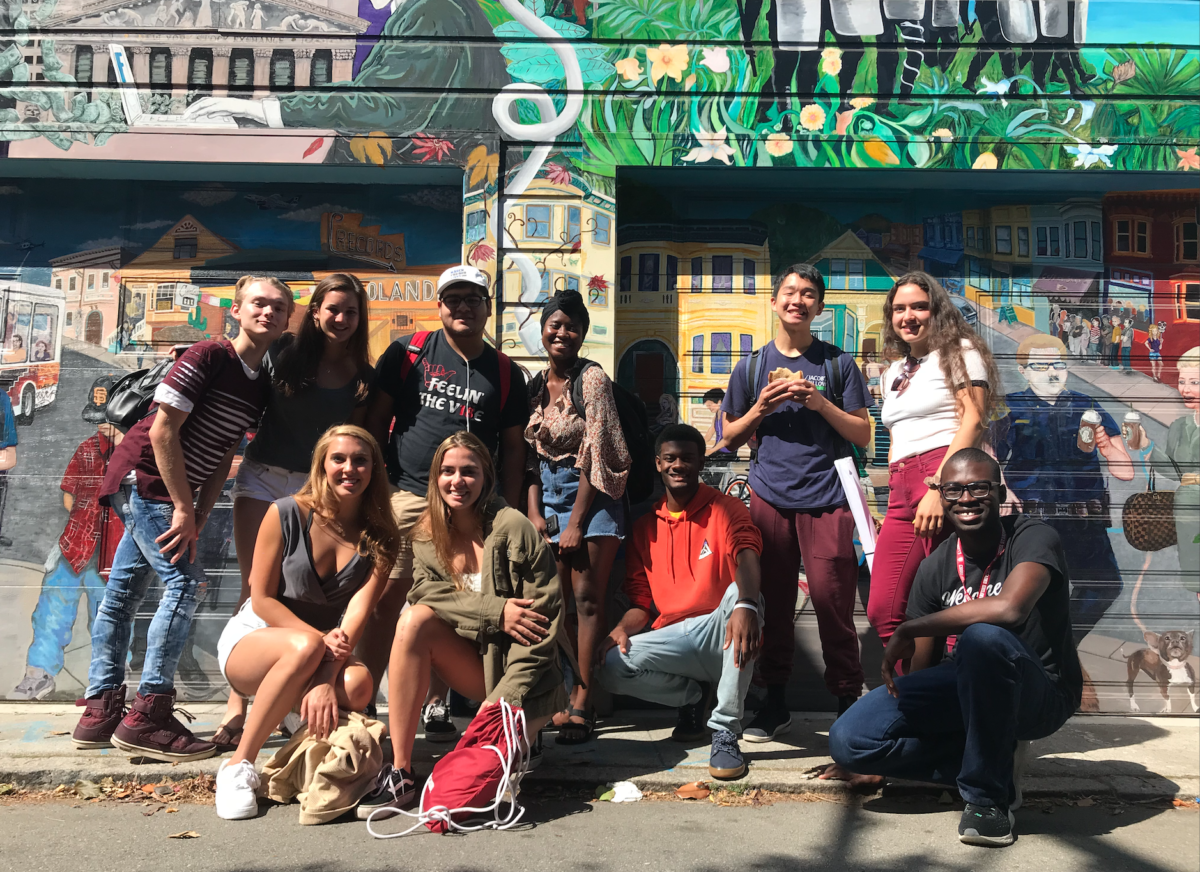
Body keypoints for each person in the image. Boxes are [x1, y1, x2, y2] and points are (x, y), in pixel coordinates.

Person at [72, 276, 292, 761]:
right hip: (144, 480)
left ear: (287, 319)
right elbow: (162, 433)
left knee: (123, 593)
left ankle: (101, 708)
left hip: (171, 492)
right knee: (185, 585)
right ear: (236, 309)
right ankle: (148, 714)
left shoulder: (258, 383)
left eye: (279, 306)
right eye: (258, 303)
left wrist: (205, 504)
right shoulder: (209, 356)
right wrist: (184, 507)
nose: (268, 312)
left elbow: (224, 449)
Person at [828, 448, 1083, 848]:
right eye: (953, 490)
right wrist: (879, 753)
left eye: (978, 488)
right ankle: (990, 760)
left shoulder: (1033, 536)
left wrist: (910, 627)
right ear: (942, 495)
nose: (965, 499)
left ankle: (988, 798)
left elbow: (1011, 609)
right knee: (850, 739)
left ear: (999, 492)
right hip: (966, 686)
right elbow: (923, 674)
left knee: (983, 637)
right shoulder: (935, 566)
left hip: (1041, 692)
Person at [357, 431, 566, 816]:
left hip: (521, 675)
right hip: (472, 665)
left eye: (469, 471)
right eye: (448, 471)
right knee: (414, 620)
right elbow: (424, 593)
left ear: (486, 475)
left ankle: (525, 731)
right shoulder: (425, 533)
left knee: (483, 780)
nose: (458, 481)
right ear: (435, 477)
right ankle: (401, 772)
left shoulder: (515, 528)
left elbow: (542, 625)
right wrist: (496, 611)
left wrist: (504, 702)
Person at [364, 264, 529, 744]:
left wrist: (508, 506)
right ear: (439, 306)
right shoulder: (408, 353)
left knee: (455, 603)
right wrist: (379, 490)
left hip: (471, 508)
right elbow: (377, 419)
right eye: (453, 299)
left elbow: (515, 447)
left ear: (487, 309)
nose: (462, 307)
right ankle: (366, 702)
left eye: (473, 299)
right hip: (409, 497)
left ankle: (435, 704)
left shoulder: (505, 372)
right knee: (387, 598)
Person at [215, 273, 374, 750]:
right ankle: (237, 704)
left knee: (299, 591)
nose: (341, 319)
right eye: (332, 309)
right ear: (316, 311)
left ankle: (290, 691)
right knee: (254, 589)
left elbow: (356, 445)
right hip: (264, 477)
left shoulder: (364, 378)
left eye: (350, 311)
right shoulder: (283, 353)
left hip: (314, 490)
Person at [213, 426, 398, 820]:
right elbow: (260, 599)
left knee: (359, 684)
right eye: (339, 459)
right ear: (322, 465)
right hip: (256, 638)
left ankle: (303, 732)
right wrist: (319, 647)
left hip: (320, 649)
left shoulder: (382, 537)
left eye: (360, 460)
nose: (350, 469)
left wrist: (326, 677)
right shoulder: (284, 512)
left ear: (375, 469)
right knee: (305, 646)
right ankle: (237, 768)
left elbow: (357, 616)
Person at [720, 263, 871, 740]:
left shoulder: (838, 364)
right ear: (774, 301)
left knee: (832, 601)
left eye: (808, 294)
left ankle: (847, 696)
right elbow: (726, 438)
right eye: (790, 292)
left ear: (818, 307)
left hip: (828, 498)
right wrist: (761, 406)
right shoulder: (750, 366)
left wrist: (819, 403)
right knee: (774, 603)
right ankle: (774, 699)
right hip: (769, 498)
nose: (797, 300)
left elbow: (863, 434)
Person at [598, 424, 764, 780]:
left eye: (688, 459)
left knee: (742, 594)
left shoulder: (726, 508)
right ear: (657, 464)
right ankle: (691, 699)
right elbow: (641, 602)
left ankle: (724, 731)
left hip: (719, 631)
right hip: (674, 639)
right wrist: (620, 629)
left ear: (700, 463)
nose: (678, 466)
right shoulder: (645, 527)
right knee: (612, 664)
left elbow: (748, 553)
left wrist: (747, 604)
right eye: (670, 459)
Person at [869, 273, 999, 650]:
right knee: (885, 608)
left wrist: (937, 489)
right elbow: (896, 437)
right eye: (899, 309)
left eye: (918, 306)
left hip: (944, 479)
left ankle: (959, 699)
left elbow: (973, 421)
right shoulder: (894, 372)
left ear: (936, 311)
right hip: (901, 489)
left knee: (953, 604)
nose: (908, 316)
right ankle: (912, 698)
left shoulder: (960, 351)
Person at [525, 290, 630, 744]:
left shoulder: (592, 380)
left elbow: (598, 451)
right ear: (543, 330)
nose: (562, 332)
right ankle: (561, 696)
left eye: (571, 326)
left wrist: (576, 522)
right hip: (546, 498)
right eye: (555, 324)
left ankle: (583, 704)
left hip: (592, 495)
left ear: (583, 333)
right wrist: (534, 512)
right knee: (555, 605)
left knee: (587, 601)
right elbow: (529, 457)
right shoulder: (534, 384)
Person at [992, 333, 1133, 654]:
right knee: (1031, 592)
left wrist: (1111, 442)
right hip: (1032, 520)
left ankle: (1057, 649)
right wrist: (1001, 490)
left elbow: (1124, 470)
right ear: (1024, 371)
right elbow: (988, 455)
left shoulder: (1088, 406)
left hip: (1084, 519)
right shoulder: (1010, 406)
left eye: (1058, 363)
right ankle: (1041, 658)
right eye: (1040, 366)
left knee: (1104, 586)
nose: (1052, 371)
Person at [10, 377, 124, 700]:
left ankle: (110, 681)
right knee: (52, 609)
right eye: (98, 421)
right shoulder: (88, 449)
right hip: (75, 548)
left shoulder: (133, 456)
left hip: (113, 554)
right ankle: (39, 674)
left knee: (110, 618)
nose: (102, 428)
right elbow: (68, 496)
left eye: (108, 422)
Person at [1141, 346, 1200, 600]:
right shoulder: (1179, 426)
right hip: (1187, 509)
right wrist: (1146, 445)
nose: (1185, 389)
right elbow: (1174, 471)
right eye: (1182, 381)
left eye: (1195, 382)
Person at [860, 351, 888, 465]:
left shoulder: (872, 365)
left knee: (872, 391)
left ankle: (875, 404)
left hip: (875, 379)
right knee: (871, 391)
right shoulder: (873, 365)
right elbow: (870, 371)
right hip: (875, 379)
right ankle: (875, 404)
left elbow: (869, 372)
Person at [701, 388, 732, 456]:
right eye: (707, 406)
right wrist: (699, 444)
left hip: (727, 453)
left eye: (710, 404)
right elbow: (710, 433)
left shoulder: (726, 414)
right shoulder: (717, 415)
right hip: (718, 450)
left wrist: (711, 450)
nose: (708, 407)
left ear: (719, 402)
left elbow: (727, 437)